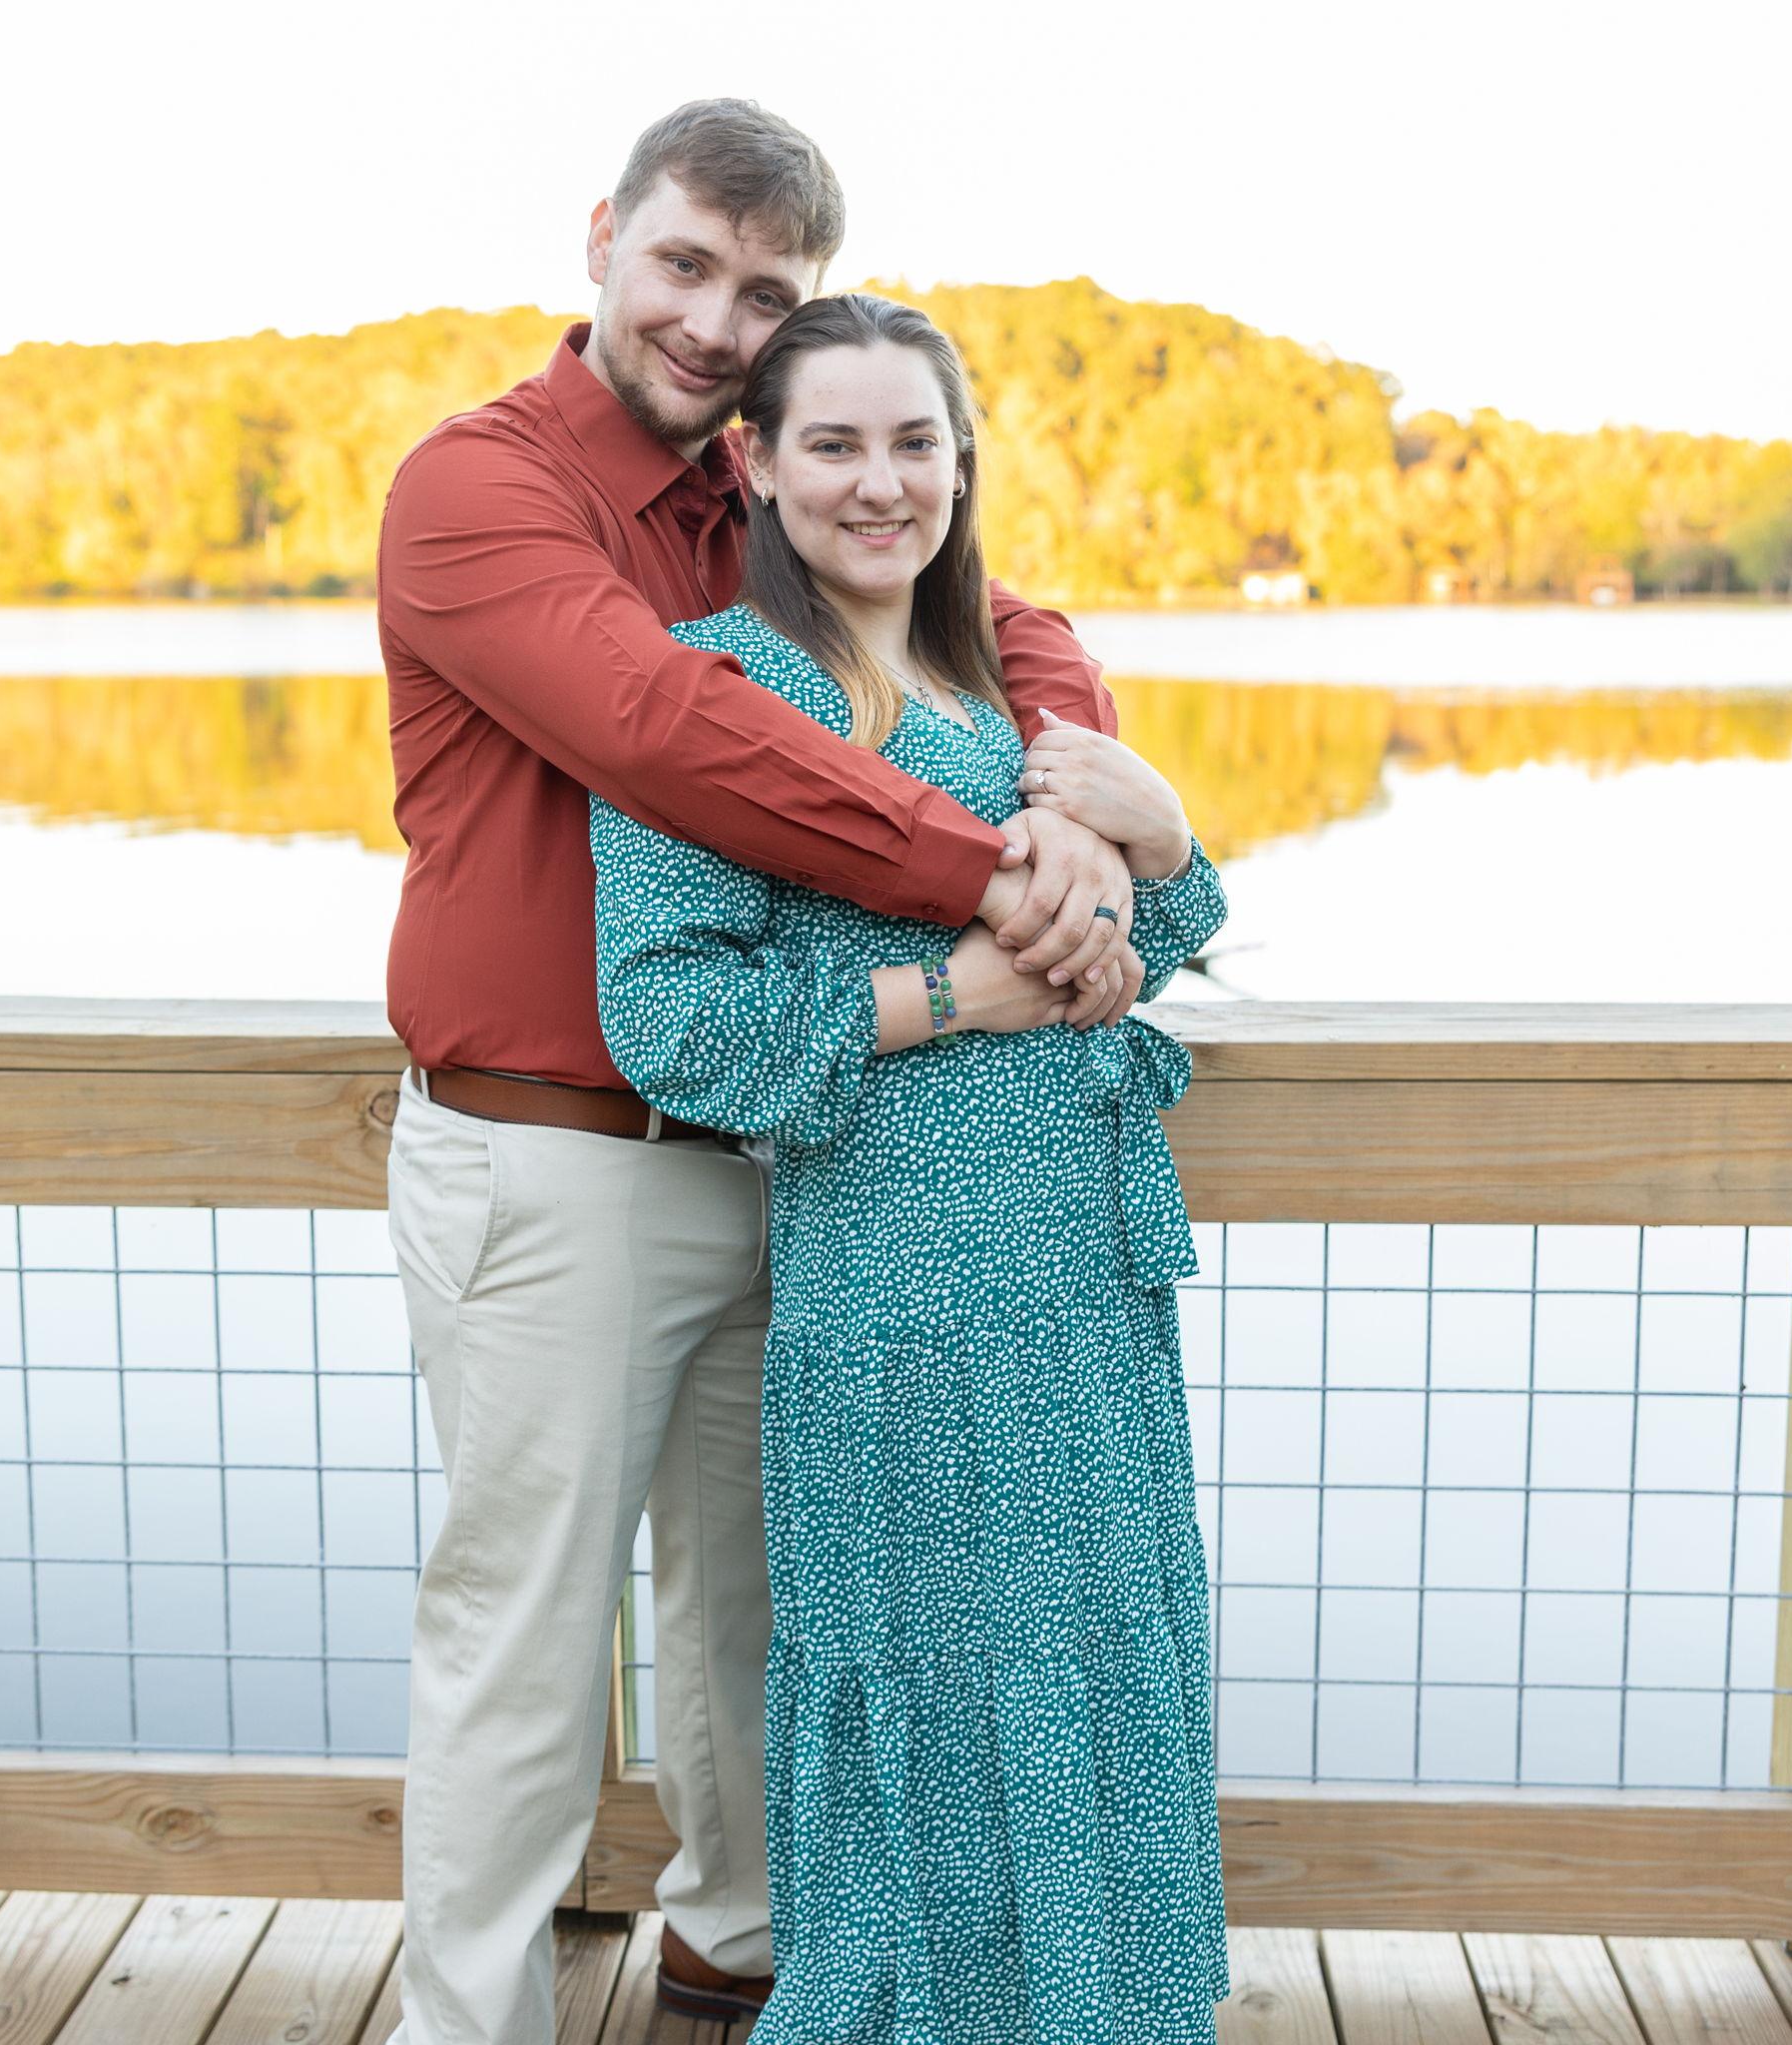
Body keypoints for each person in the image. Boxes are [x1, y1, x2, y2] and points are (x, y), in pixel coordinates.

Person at [376, 100, 1155, 2045]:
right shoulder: (478, 491)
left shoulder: (761, 478)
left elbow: (1004, 610)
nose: (720, 319)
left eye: (765, 289)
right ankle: (465, 2020)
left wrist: (1065, 773)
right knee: (524, 1634)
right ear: (599, 243)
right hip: (552, 1155)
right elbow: (671, 733)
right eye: (685, 266)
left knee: (756, 1603)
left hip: (795, 1152)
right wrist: (998, 873)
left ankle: (735, 1942)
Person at [589, 294, 1231, 2040]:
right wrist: (952, 992)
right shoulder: (731, 688)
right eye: (836, 444)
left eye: (916, 442)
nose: (883, 484)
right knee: (938, 1679)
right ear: (759, 467)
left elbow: (1155, 936)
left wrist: (1165, 837)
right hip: (905, 1286)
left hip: (1086, 1283)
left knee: (1099, 1664)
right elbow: (671, 1022)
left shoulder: (1014, 687)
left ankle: (1106, 2008)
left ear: (964, 460)